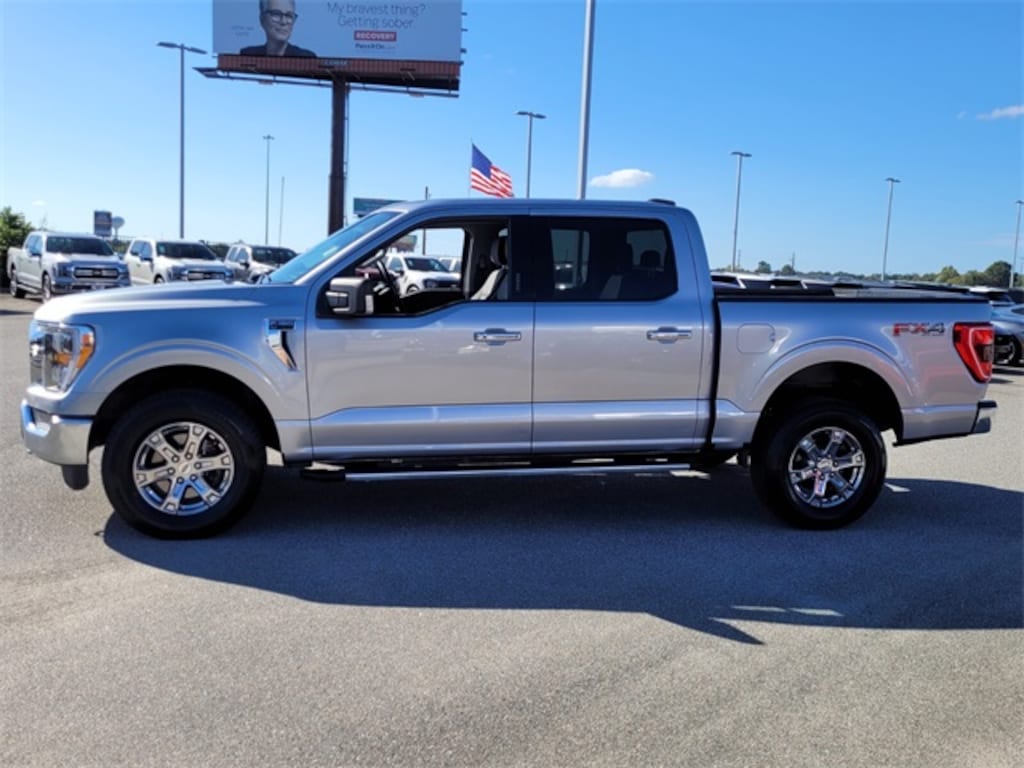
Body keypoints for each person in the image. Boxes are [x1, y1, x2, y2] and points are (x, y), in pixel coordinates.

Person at [240, 0, 316, 57]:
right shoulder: (247, 55)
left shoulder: (306, 58)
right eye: (276, 14)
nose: (283, 22)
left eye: (289, 15)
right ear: (262, 20)